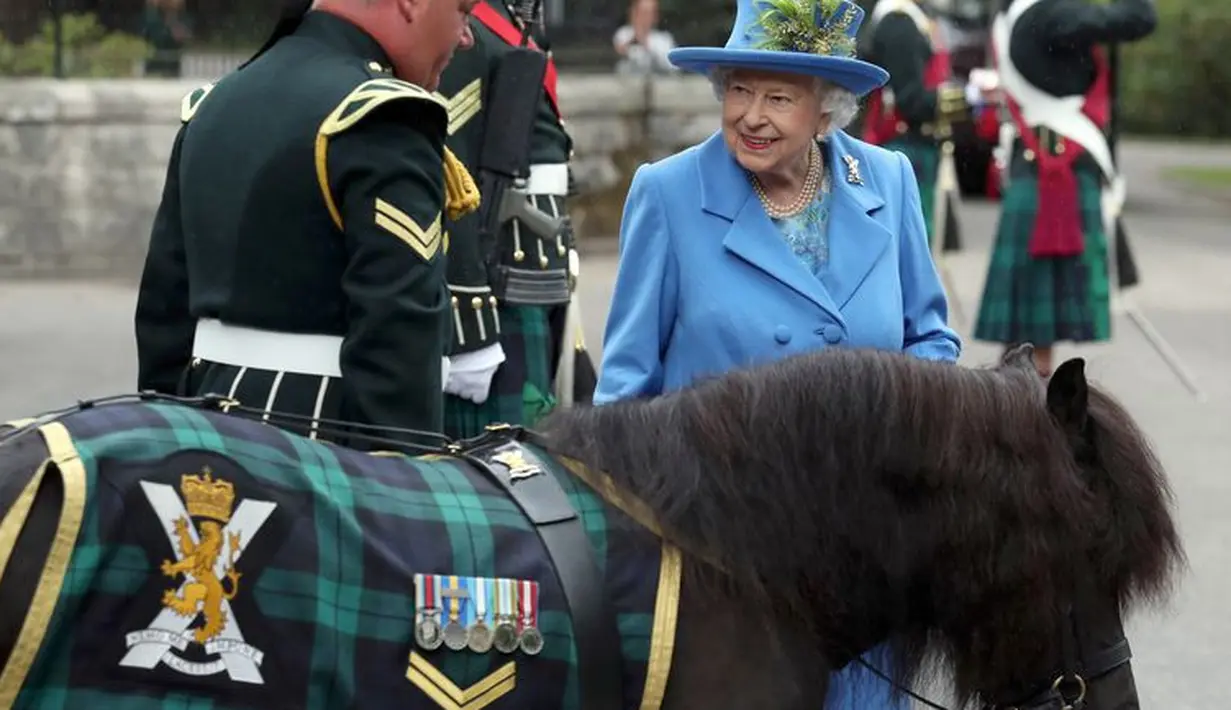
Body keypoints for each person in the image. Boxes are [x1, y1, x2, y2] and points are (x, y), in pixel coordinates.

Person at [594, 0, 960, 704]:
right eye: (738, 90)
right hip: (724, 561)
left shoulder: (886, 181)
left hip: (864, 547)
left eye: (777, 98)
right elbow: (622, 398)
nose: (750, 116)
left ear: (826, 110)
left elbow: (930, 339)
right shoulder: (668, 195)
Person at [133, 0, 481, 450]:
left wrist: (167, 447)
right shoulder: (382, 116)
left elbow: (163, 318)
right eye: (463, 9)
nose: (467, 35)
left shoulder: (214, 103)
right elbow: (397, 341)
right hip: (322, 446)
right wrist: (402, 483)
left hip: (201, 435)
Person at [433, 0, 597, 439]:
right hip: (498, 279)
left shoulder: (512, 20)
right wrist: (468, 327)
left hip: (539, 268)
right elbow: (453, 170)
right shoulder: (464, 25)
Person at [972, 0, 1157, 376]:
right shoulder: (1049, 13)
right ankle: (1034, 421)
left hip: (1041, 164)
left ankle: (1010, 412)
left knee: (1026, 329)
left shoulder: (1014, 17)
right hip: (1056, 173)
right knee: (1037, 334)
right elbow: (1139, 18)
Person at [860, 0, 966, 252]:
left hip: (915, 143)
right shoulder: (900, 22)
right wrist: (966, 97)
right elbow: (910, 99)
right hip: (905, 144)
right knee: (911, 242)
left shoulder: (911, 18)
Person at [612, 0, 677, 76]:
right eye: (642, 12)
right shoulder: (623, 33)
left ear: (655, 16)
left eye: (649, 13)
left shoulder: (664, 40)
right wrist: (635, 38)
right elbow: (618, 52)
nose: (645, 17)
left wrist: (645, 43)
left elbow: (672, 67)